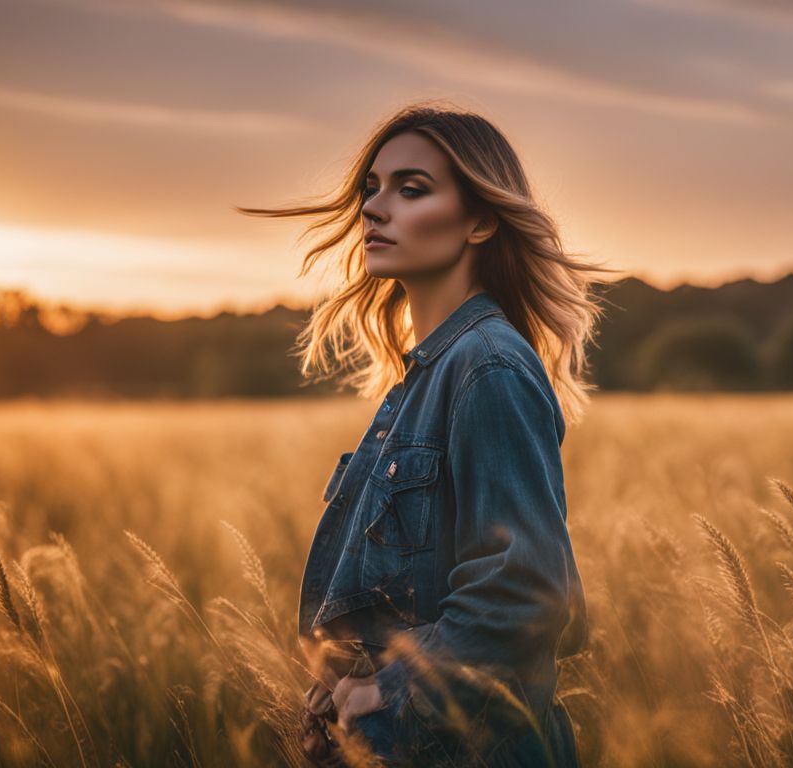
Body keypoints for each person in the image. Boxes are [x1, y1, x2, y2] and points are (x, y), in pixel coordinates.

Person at [237, 101, 623, 766]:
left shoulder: (487, 367)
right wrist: (338, 691)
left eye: (411, 190)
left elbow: (526, 595)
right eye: (371, 189)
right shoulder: (426, 376)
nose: (375, 209)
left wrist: (386, 692)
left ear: (479, 221)